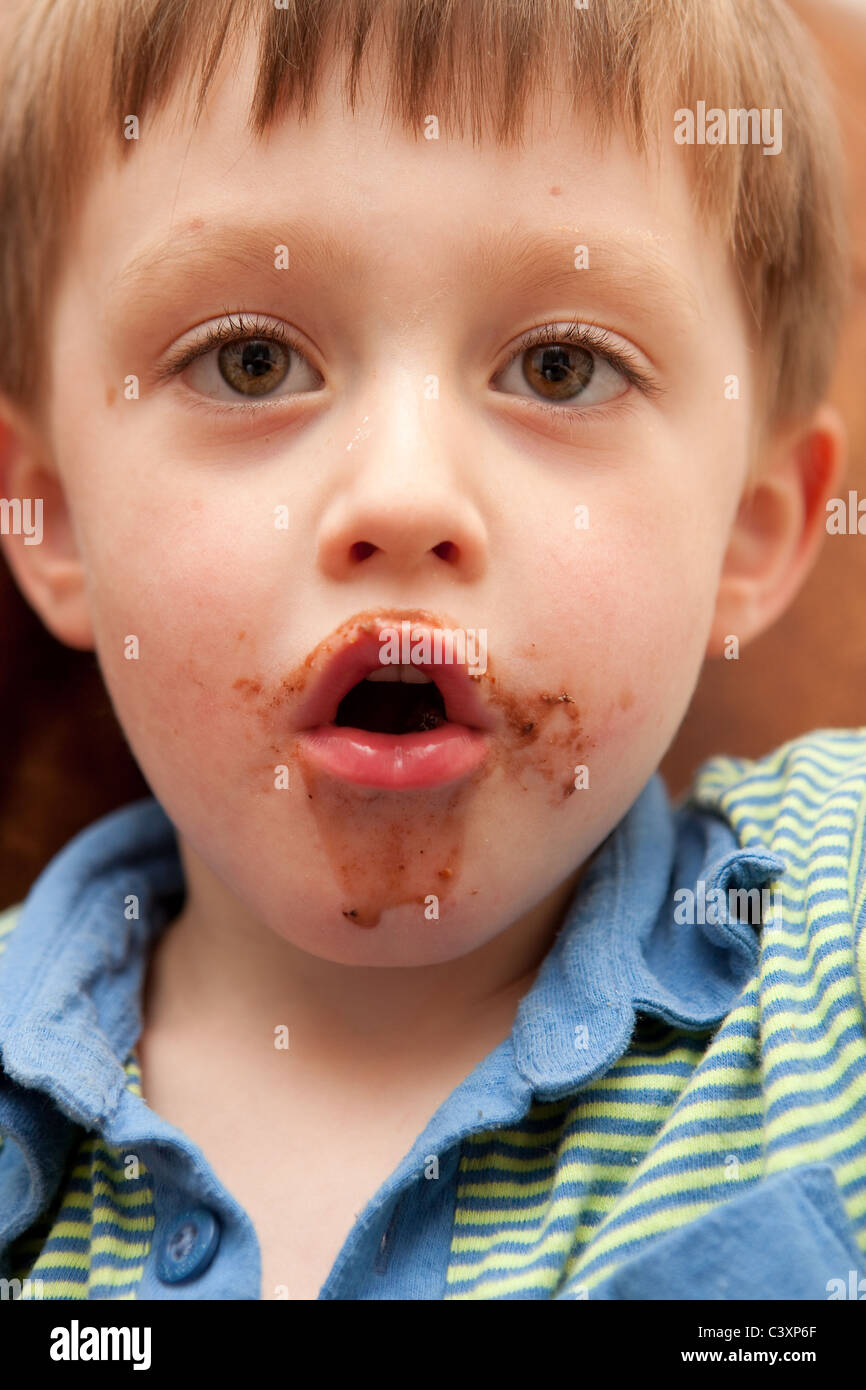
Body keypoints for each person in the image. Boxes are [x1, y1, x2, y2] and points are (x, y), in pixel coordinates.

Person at [0, 0, 863, 1302]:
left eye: (562, 367)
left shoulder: (821, 947)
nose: (401, 497)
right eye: (248, 362)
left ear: (747, 534)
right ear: (54, 516)